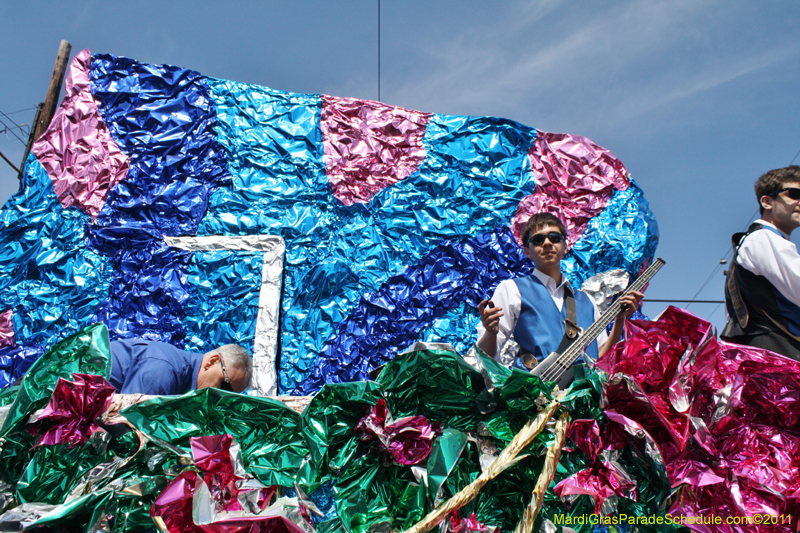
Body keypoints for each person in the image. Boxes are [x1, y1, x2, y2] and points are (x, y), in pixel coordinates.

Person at [476, 213, 643, 369]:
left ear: (564, 246)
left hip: (586, 398)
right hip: (537, 396)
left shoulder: (587, 301)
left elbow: (600, 359)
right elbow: (485, 357)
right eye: (538, 240)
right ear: (527, 251)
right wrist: (491, 333)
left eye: (555, 238)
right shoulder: (512, 289)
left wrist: (620, 321)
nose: (547, 243)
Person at [722, 166, 800, 360]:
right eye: (795, 194)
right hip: (779, 355)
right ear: (767, 201)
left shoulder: (759, 239)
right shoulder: (763, 238)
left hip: (767, 354)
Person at [109, 338, 252, 395]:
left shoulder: (181, 381)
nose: (220, 397)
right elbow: (127, 425)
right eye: (225, 387)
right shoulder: (165, 371)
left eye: (228, 397)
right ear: (212, 361)